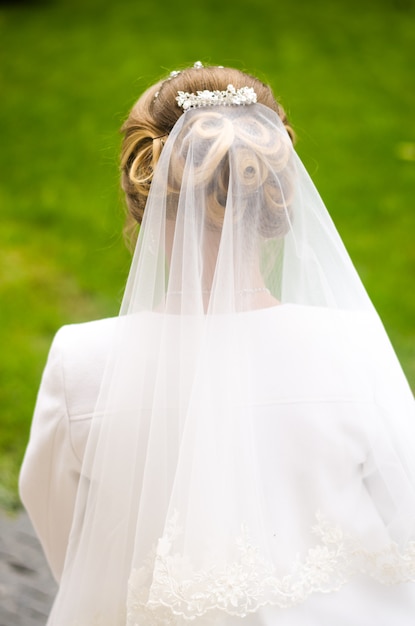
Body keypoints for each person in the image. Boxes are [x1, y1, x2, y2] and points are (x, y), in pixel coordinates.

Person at [20, 63, 415, 625]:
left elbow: (67, 535)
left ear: (142, 199)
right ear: (277, 198)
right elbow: (406, 510)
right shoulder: (350, 347)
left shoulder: (81, 362)